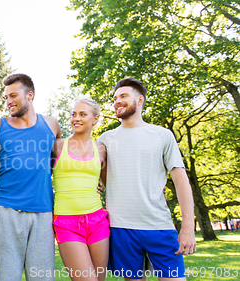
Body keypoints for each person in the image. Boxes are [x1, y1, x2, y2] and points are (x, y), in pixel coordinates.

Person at [97, 78, 196, 280]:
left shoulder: (162, 135)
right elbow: (101, 177)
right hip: (121, 228)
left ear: (140, 100)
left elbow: (181, 182)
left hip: (159, 226)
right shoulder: (105, 139)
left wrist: (188, 228)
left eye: (123, 96)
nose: (117, 101)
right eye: (115, 98)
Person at [0, 73, 61, 281]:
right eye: (6, 98)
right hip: (7, 210)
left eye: (13, 95)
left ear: (30, 95)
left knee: (42, 278)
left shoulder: (52, 125)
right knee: (8, 277)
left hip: (43, 212)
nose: (9, 101)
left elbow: (58, 163)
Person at [52, 97, 109, 281]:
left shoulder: (101, 149)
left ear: (95, 119)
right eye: (74, 114)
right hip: (66, 222)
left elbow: (110, 184)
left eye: (83, 114)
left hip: (97, 220)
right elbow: (38, 175)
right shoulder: (58, 145)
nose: (76, 118)